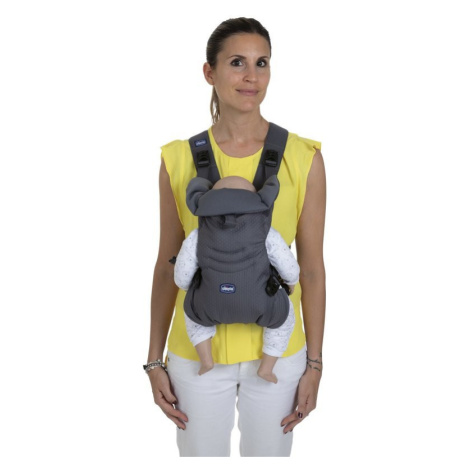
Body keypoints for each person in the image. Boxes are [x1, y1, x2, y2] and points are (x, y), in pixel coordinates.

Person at [145, 17, 326, 457]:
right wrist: (153, 360)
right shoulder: (178, 159)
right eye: (237, 63)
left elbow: (312, 270)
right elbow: (168, 265)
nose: (251, 76)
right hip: (196, 354)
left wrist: (315, 365)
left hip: (278, 355)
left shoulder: (303, 158)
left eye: (262, 63)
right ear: (209, 72)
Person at [173, 175, 299, 383]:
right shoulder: (265, 232)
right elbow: (287, 263)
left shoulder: (199, 234)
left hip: (210, 301)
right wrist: (291, 281)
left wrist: (191, 287)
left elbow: (182, 275)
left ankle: (206, 359)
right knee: (284, 318)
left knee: (193, 315)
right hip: (260, 300)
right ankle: (267, 367)